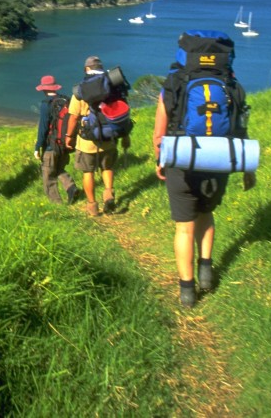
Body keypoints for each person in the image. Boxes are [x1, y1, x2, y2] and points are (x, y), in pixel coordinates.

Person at [153, 36, 257, 309]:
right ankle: (206, 272)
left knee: (184, 227)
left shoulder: (173, 85)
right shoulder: (233, 86)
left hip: (181, 159)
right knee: (206, 214)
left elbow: (158, 134)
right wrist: (247, 168)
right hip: (219, 158)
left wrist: (158, 160)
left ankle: (187, 292)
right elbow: (239, 128)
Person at [65, 56, 129, 216]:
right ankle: (108, 194)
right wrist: (125, 134)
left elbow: (73, 117)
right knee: (107, 167)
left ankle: (92, 205)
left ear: (86, 69)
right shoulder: (112, 86)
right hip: (109, 136)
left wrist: (68, 136)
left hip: (88, 139)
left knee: (88, 172)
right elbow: (123, 110)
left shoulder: (80, 90)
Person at [33, 74, 79, 204]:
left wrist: (37, 148)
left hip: (51, 146)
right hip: (65, 143)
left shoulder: (46, 105)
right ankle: (71, 188)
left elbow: (43, 129)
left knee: (48, 176)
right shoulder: (65, 100)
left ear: (44, 89)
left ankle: (57, 205)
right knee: (59, 169)